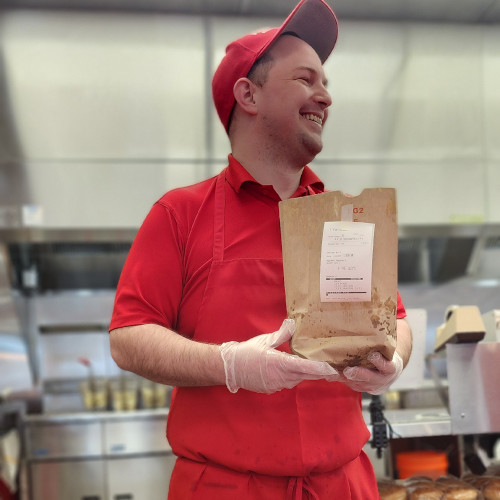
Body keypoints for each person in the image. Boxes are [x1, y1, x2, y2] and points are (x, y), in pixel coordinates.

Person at [109, 0, 413, 498]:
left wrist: (393, 361)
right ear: (248, 94)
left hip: (343, 485)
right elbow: (128, 337)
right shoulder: (179, 214)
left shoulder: (347, 217)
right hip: (225, 487)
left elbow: (395, 320)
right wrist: (229, 365)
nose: (325, 97)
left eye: (325, 83)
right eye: (306, 79)